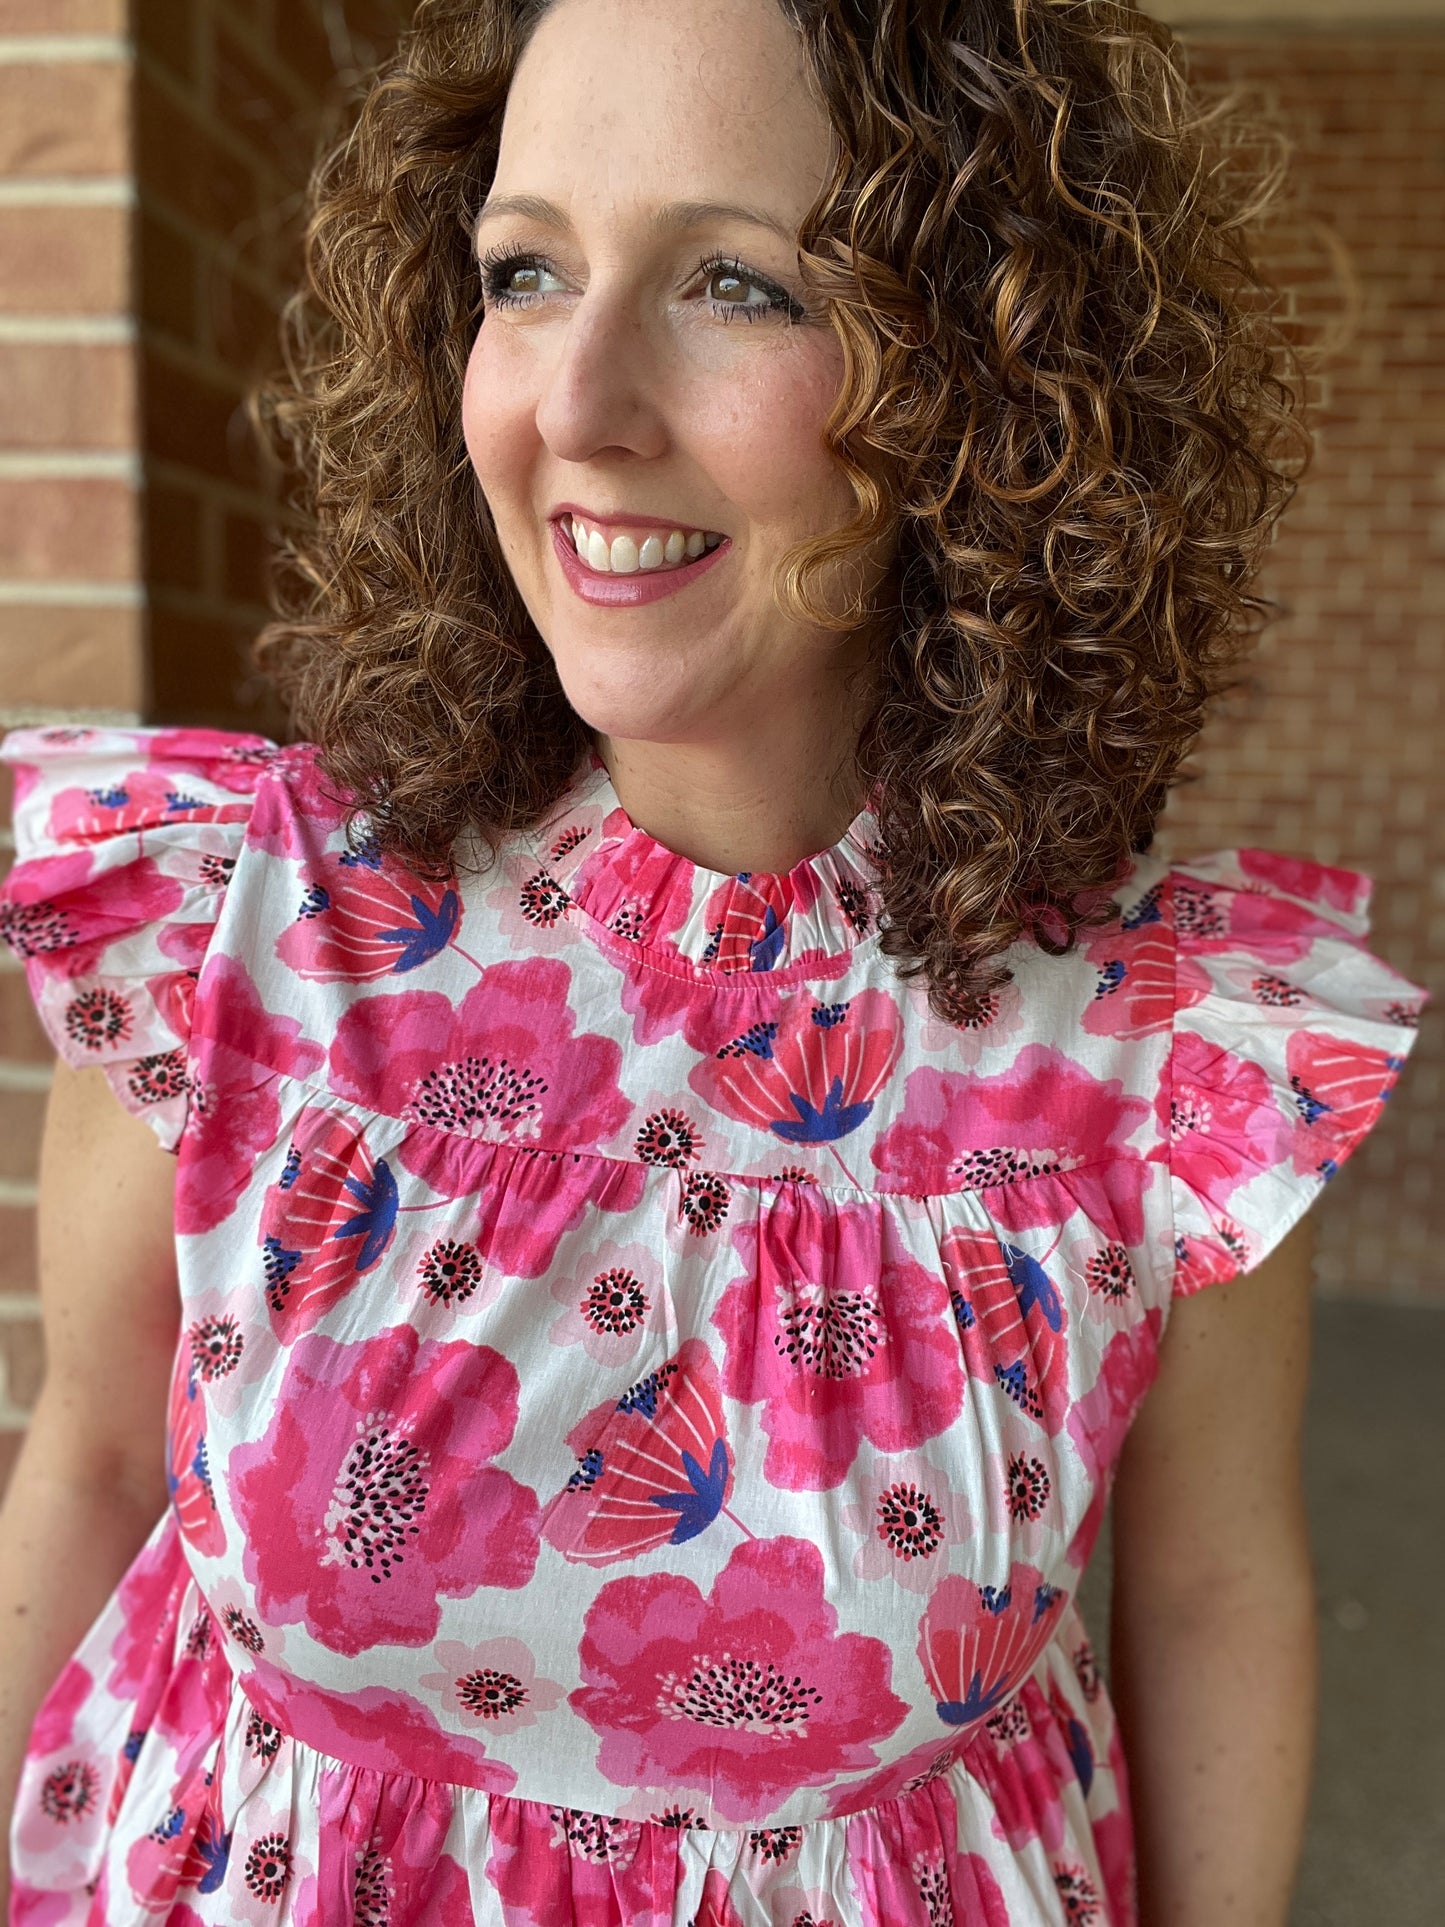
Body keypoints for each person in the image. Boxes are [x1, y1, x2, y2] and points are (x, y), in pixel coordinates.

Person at [0, 0, 1428, 1922]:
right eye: (525, 272)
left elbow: (1204, 1590)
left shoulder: (1163, 1062)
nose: (575, 402)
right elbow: (88, 1478)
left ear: (989, 383)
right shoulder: (236, 937)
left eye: (737, 284)